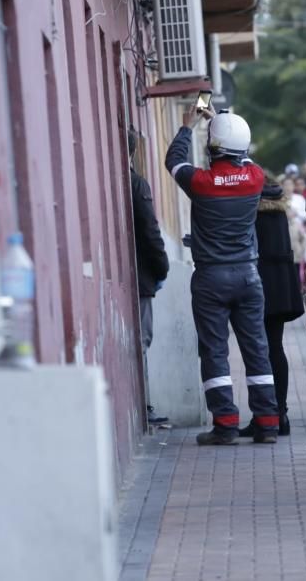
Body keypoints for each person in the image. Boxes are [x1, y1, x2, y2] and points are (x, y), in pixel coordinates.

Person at [164, 106, 280, 445]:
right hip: (248, 275)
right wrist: (224, 124)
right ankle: (268, 423)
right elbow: (244, 159)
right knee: (257, 348)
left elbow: (174, 160)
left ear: (212, 148)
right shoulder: (255, 177)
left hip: (211, 278)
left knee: (215, 350)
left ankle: (226, 424)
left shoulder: (200, 182)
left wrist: (189, 125)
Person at [238, 179, 305, 438]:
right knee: (276, 348)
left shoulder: (251, 213)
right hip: (280, 287)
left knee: (258, 351)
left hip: (257, 284)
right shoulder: (279, 210)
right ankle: (282, 414)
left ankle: (264, 416)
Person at [129, 128, 170, 425]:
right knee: (142, 339)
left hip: (133, 274)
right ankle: (144, 406)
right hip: (142, 277)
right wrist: (162, 268)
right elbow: (150, 231)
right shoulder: (136, 184)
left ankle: (144, 405)